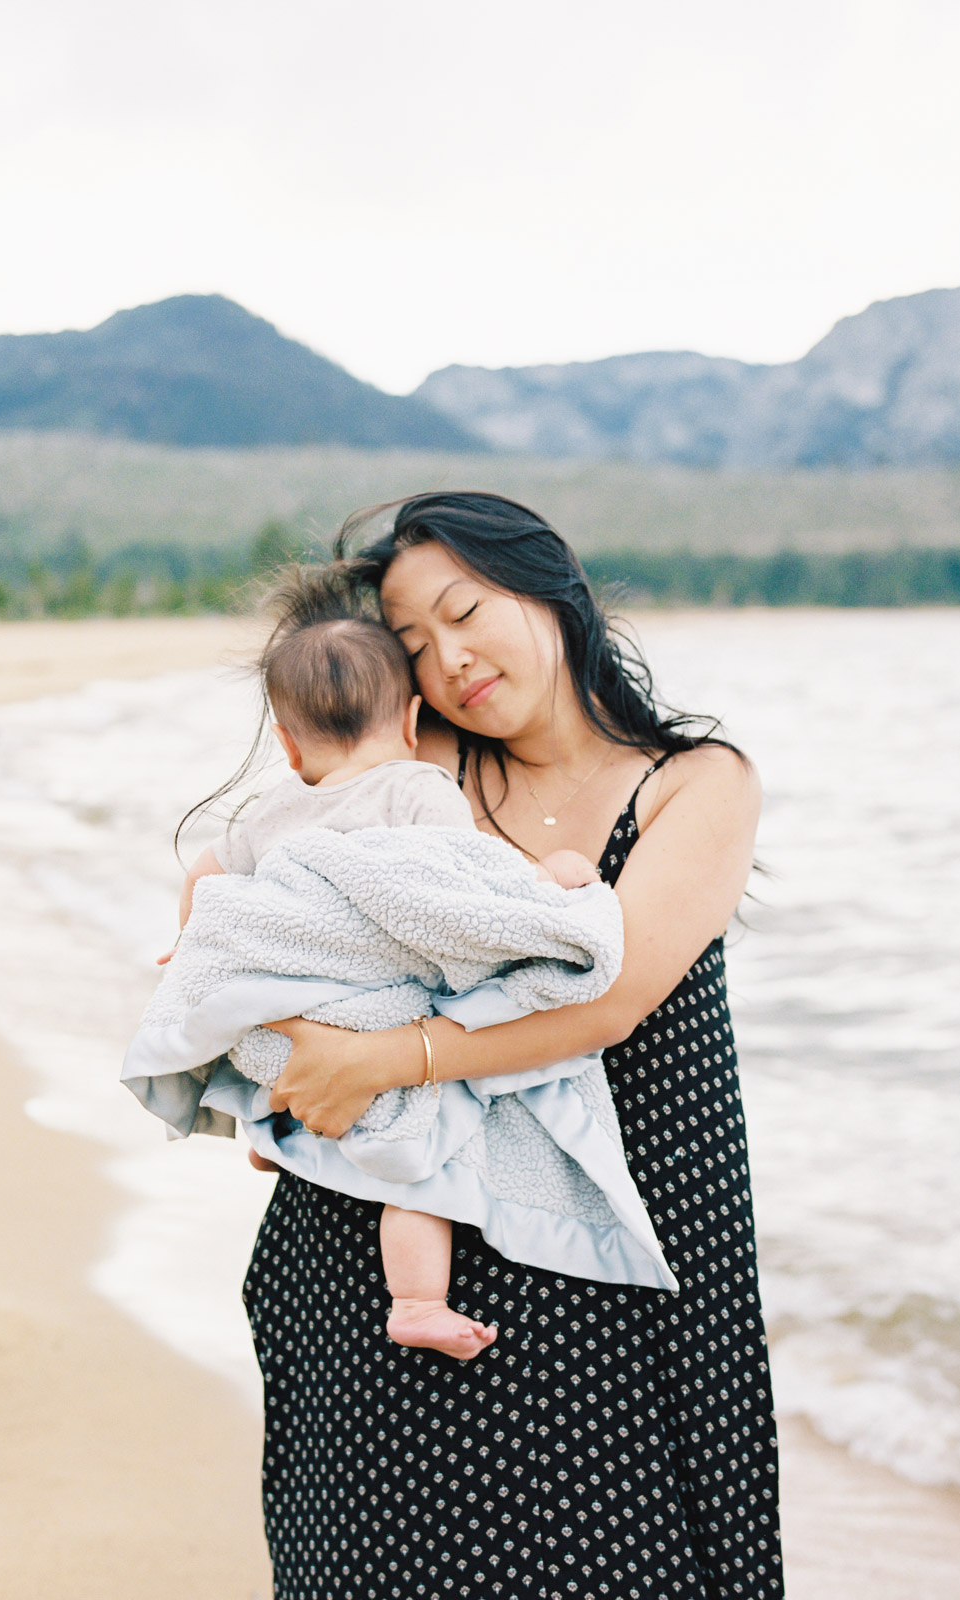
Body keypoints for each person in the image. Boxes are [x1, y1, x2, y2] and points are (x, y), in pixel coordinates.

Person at [245, 492, 783, 1599]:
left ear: (547, 585)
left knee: (628, 1553)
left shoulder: (692, 779)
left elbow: (609, 1003)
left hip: (629, 1224)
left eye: (465, 611)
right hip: (400, 1233)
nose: (449, 660)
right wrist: (284, 1068)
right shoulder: (420, 769)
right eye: (412, 646)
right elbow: (281, 889)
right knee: (383, 1559)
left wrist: (376, 1062)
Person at [159, 565, 615, 1360]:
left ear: (287, 742)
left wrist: (192, 943)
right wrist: (556, 881)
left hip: (288, 1021)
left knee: (275, 1040)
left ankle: (271, 1133)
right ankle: (416, 1300)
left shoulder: (273, 807)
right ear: (411, 717)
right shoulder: (419, 789)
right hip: (376, 1016)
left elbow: (207, 877)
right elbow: (465, 895)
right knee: (427, 1154)